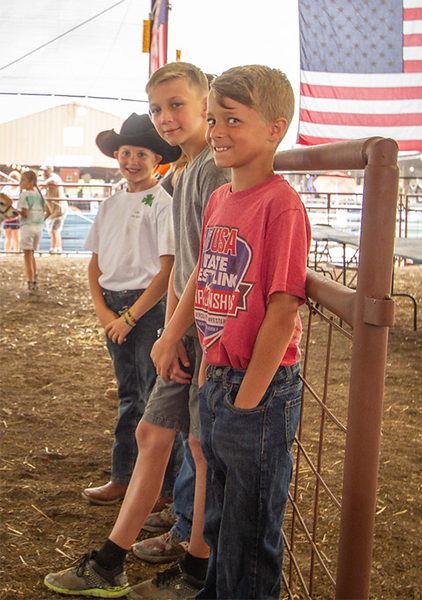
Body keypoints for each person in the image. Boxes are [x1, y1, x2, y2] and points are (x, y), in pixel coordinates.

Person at [44, 61, 230, 599]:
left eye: (176, 105)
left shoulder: (212, 170)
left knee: (193, 443)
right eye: (156, 109)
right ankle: (117, 560)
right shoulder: (188, 171)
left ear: (204, 103)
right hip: (182, 322)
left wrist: (171, 331)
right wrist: (170, 328)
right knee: (160, 434)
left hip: (197, 325)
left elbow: (201, 262)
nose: (166, 118)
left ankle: (185, 565)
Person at [150, 65, 311, 600]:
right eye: (214, 118)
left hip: (257, 390)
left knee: (249, 526)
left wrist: (247, 399)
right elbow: (202, 271)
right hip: (216, 377)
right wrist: (172, 333)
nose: (217, 130)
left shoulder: (281, 205)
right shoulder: (221, 199)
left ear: (274, 128)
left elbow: (282, 308)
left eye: (233, 120)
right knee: (217, 515)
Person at [77, 113, 180, 508]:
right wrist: (105, 314)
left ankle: (162, 488)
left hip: (147, 308)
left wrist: (131, 316)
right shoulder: (110, 204)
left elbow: (167, 267)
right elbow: (95, 264)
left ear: (157, 160)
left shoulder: (162, 203)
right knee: (129, 394)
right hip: (116, 308)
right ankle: (123, 476)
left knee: (154, 397)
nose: (132, 160)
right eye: (125, 152)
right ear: (116, 155)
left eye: (141, 153)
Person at [18, 170, 51, 292]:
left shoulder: (24, 195)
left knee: (27, 255)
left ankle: (30, 281)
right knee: (32, 253)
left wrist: (16, 211)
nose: (20, 183)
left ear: (30, 182)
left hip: (28, 227)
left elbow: (25, 213)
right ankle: (34, 276)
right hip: (38, 227)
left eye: (23, 180)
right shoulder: (39, 195)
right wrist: (40, 219)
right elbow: (49, 211)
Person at [39, 164, 68, 253]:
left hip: (59, 209)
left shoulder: (55, 177)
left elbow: (51, 181)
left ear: (50, 170)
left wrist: (41, 184)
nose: (44, 172)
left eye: (46, 170)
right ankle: (58, 248)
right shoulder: (44, 179)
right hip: (52, 210)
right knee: (54, 230)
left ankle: (54, 249)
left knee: (54, 230)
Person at [2, 170, 21, 251]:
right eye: (10, 179)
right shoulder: (6, 188)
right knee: (7, 235)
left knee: (16, 235)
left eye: (14, 179)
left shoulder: (19, 189)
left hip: (15, 215)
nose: (11, 181)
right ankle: (7, 252)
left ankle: (16, 251)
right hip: (6, 215)